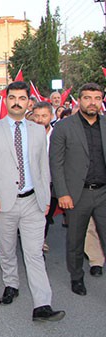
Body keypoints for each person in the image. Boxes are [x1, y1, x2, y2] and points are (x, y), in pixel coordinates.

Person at [0, 81, 65, 322]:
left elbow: (43, 167)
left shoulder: (38, 130)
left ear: (29, 102)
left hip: (32, 202)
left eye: (22, 98)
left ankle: (42, 304)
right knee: (6, 250)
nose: (17, 102)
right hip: (4, 202)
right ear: (6, 101)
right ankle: (11, 284)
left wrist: (46, 199)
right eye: (12, 97)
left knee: (34, 253)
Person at [49, 83, 106, 296]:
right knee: (75, 239)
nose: (92, 102)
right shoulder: (64, 127)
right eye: (88, 98)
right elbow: (56, 163)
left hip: (103, 193)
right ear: (79, 100)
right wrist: (62, 193)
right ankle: (76, 277)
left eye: (97, 98)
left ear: (101, 101)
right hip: (76, 194)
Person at [31, 101, 56, 252]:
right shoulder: (28, 134)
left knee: (46, 214)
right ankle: (36, 244)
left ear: (51, 116)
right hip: (33, 183)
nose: (40, 119)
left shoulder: (58, 134)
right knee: (34, 215)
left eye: (44, 116)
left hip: (52, 182)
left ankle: (42, 238)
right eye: (37, 116)